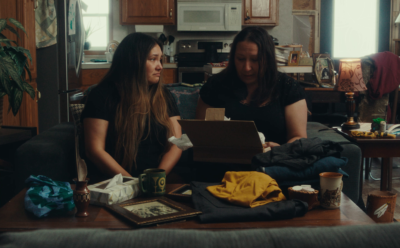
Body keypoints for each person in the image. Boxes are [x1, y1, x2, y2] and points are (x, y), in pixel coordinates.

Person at [81, 33, 182, 179]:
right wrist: (132, 183)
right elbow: (94, 150)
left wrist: (157, 178)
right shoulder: (102, 95)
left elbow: (176, 144)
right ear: (133, 61)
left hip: (159, 179)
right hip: (116, 182)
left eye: (160, 59)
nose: (160, 66)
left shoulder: (163, 95)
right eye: (153, 59)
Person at [196, 27, 307, 149]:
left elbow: (299, 137)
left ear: (268, 59)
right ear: (233, 58)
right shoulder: (215, 85)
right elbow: (202, 135)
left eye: (255, 60)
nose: (247, 67)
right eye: (240, 59)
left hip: (273, 162)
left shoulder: (288, 87)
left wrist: (281, 149)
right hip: (223, 161)